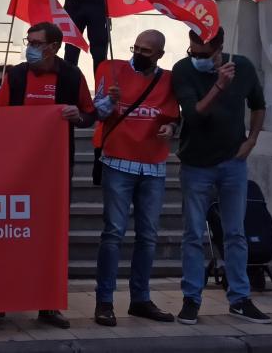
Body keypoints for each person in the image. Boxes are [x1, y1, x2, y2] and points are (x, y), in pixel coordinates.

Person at [0, 22, 96, 330]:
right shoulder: (17, 75)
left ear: (54, 47)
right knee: (6, 235)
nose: (30, 47)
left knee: (51, 238)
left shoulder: (71, 76)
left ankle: (49, 305)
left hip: (55, 170)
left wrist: (78, 116)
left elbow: (89, 113)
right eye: (29, 41)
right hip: (16, 169)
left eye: (36, 43)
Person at [172, 27, 270, 326]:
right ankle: (191, 298)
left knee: (235, 233)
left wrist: (252, 140)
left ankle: (239, 298)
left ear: (219, 48)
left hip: (232, 162)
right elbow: (194, 114)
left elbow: (259, 105)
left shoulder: (242, 66)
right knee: (193, 234)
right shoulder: (183, 70)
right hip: (196, 163)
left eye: (204, 54)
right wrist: (219, 85)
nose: (197, 58)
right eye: (193, 52)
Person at [90, 30, 179, 327]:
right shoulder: (111, 70)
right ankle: (104, 301)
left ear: (160, 55)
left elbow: (173, 118)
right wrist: (108, 101)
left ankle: (140, 298)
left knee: (148, 237)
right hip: (118, 162)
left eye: (146, 51)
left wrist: (171, 129)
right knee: (113, 233)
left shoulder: (168, 80)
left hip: (153, 167)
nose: (138, 54)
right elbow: (95, 113)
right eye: (136, 48)